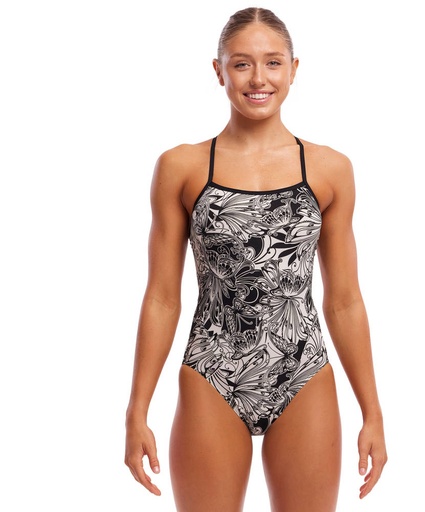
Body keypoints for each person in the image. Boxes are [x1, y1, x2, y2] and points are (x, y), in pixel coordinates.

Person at [124, 7, 387, 511]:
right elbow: (161, 297)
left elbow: (345, 300)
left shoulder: (330, 169)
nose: (258, 78)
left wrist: (372, 411)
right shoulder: (182, 167)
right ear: (219, 70)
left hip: (302, 370)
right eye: (242, 64)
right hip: (212, 369)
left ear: (293, 69)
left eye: (273, 62)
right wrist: (137, 409)